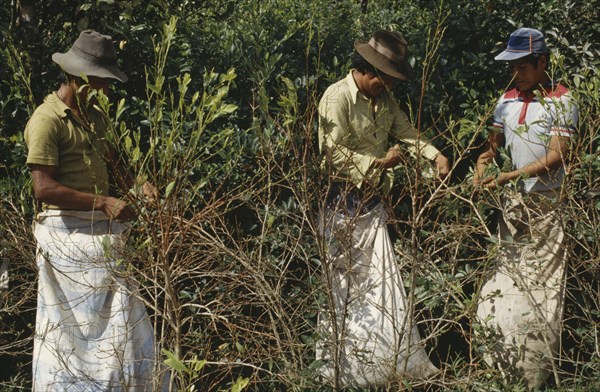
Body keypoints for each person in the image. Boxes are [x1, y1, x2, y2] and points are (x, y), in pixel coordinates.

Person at [24, 30, 164, 390]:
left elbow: (116, 161)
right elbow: (43, 189)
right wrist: (102, 202)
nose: (104, 91)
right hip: (67, 241)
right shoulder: (47, 120)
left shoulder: (96, 116)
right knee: (68, 343)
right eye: (100, 83)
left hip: (100, 239)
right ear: (78, 77)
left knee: (124, 336)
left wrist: (141, 186)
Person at [316, 30, 450, 388]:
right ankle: (343, 372)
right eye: (385, 79)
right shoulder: (336, 97)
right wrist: (377, 163)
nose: (387, 86)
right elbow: (330, 156)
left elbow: (405, 131)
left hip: (372, 205)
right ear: (369, 70)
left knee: (380, 288)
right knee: (346, 289)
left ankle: (380, 365)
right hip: (341, 207)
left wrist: (435, 155)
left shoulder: (384, 99)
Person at [474, 28, 578, 389]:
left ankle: (533, 375)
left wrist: (509, 176)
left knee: (543, 288)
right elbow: (492, 147)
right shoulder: (506, 100)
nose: (517, 73)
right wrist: (483, 168)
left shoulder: (562, 101)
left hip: (547, 204)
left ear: (542, 63)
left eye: (523, 66)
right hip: (512, 206)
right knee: (507, 281)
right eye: (513, 67)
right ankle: (498, 365)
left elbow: (557, 155)